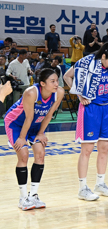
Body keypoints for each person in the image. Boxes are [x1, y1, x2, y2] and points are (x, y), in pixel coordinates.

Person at [63, 43, 108, 201]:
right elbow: (67, 76)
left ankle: (100, 184)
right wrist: (79, 95)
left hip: (106, 108)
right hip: (90, 108)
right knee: (87, 150)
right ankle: (82, 188)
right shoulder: (86, 62)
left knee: (104, 148)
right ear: (103, 56)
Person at [5, 68, 64, 210]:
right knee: (24, 155)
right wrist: (21, 138)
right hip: (16, 124)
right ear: (42, 83)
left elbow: (49, 115)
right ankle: (23, 198)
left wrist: (41, 133)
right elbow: (28, 117)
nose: (56, 84)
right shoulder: (31, 93)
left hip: (35, 124)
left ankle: (33, 195)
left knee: (40, 154)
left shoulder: (59, 92)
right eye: (52, 81)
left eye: (57, 80)